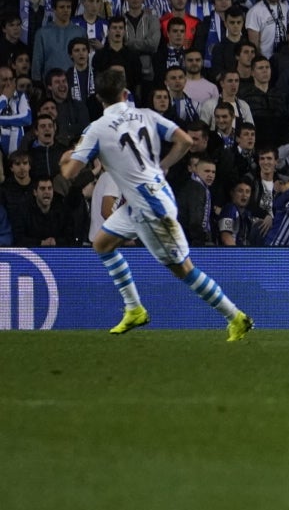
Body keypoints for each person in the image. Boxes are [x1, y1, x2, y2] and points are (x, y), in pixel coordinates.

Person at [58, 68, 253, 340]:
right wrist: (163, 165)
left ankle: (236, 316)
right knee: (101, 243)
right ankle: (134, 308)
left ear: (98, 99)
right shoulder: (147, 115)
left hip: (151, 210)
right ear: (125, 93)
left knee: (184, 269)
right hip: (151, 196)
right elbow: (185, 141)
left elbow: (69, 173)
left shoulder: (97, 129)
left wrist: (67, 155)